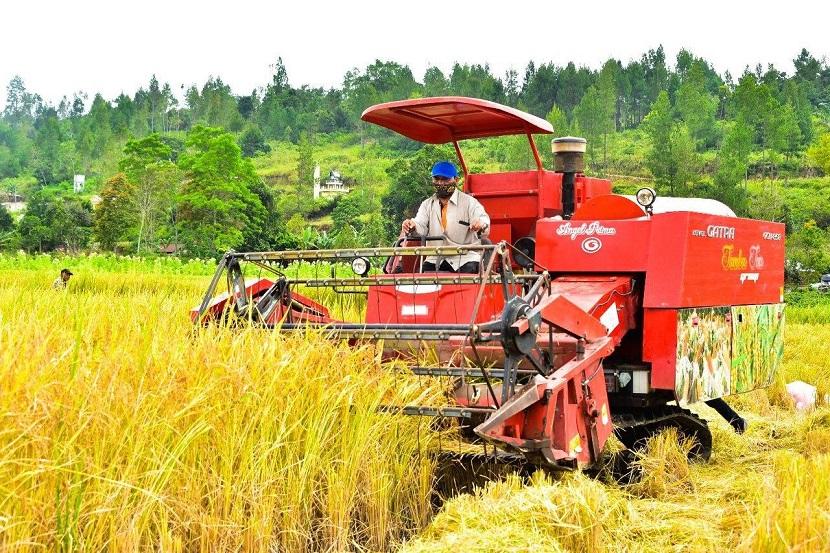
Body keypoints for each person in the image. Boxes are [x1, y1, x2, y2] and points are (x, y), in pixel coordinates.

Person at [401, 161, 490, 274]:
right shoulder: (427, 204)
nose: (441, 183)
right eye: (437, 179)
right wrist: (412, 225)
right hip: (435, 258)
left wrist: (480, 224)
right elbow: (420, 225)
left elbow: (483, 221)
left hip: (464, 257)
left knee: (468, 274)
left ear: (456, 180)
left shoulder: (469, 203)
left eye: (445, 179)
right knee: (423, 278)